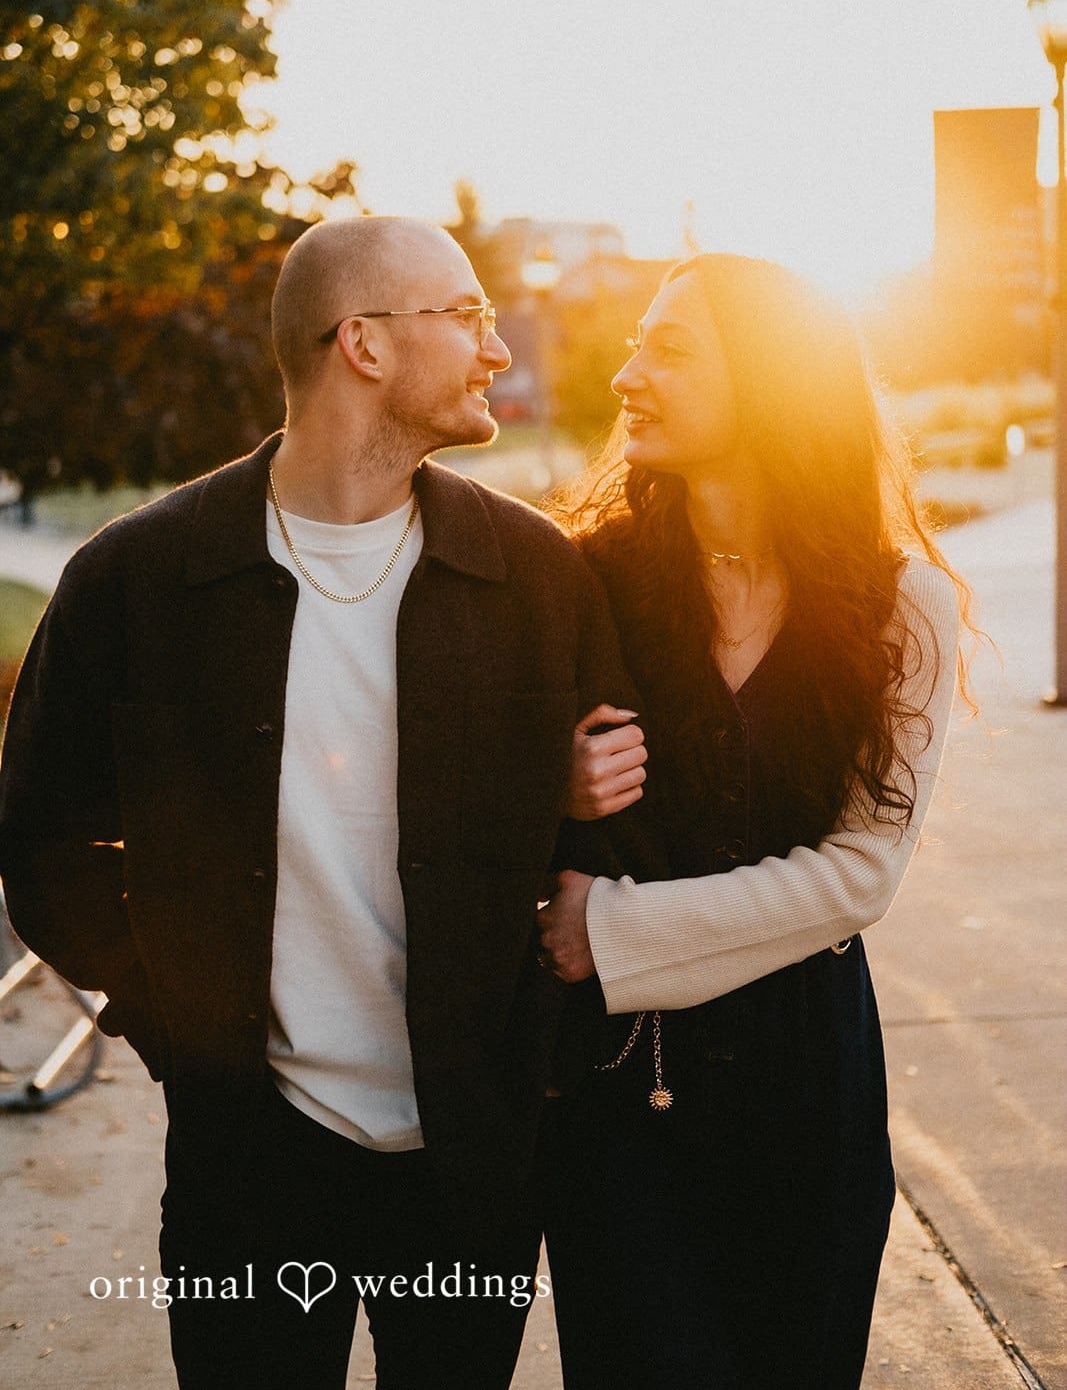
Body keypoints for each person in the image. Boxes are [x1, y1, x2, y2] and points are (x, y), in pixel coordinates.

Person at [0, 216, 659, 1390]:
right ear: (360, 342)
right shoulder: (139, 576)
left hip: (470, 1167)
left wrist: (535, 1049)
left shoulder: (534, 574)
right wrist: (176, 1021)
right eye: (464, 316)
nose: (495, 349)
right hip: (247, 1165)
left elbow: (602, 839)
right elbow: (42, 840)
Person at [536, 252, 967, 1390]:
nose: (628, 374)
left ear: (774, 382)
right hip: (622, 1094)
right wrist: (552, 787)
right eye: (634, 342)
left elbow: (862, 872)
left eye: (668, 349)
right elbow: (460, 799)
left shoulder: (899, 606)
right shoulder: (580, 581)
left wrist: (610, 930)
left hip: (806, 1092)